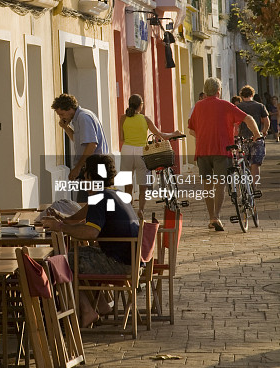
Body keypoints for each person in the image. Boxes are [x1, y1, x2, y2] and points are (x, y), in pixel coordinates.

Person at [42, 154, 139, 328]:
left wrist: (60, 227)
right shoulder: (114, 194)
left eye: (85, 176)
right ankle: (101, 305)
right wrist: (61, 219)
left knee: (61, 261)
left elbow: (91, 232)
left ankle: (87, 310)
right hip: (131, 260)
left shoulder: (100, 198)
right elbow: (80, 217)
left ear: (90, 177)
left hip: (117, 263)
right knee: (78, 256)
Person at [188, 77, 260, 232]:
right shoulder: (225, 105)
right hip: (222, 150)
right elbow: (248, 118)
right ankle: (217, 216)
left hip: (202, 151)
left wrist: (204, 135)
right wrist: (256, 134)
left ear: (206, 91)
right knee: (220, 184)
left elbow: (191, 130)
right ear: (218, 91)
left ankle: (211, 217)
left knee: (207, 185)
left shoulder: (198, 106)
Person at [119, 94, 182, 218]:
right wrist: (175, 133)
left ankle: (129, 211)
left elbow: (122, 137)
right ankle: (141, 210)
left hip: (126, 150)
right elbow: (160, 135)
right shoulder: (145, 119)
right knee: (143, 185)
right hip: (142, 152)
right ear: (141, 105)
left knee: (128, 184)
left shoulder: (123, 118)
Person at [51, 93, 109, 202]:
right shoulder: (78, 119)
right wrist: (66, 127)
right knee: (86, 203)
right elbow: (78, 140)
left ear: (70, 108)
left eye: (62, 114)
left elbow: (92, 144)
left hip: (94, 167)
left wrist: (77, 168)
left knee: (87, 204)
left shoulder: (83, 117)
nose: (61, 117)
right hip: (90, 167)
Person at [236, 86, 269, 181]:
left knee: (244, 163)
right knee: (256, 164)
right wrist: (264, 131)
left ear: (241, 96)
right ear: (252, 94)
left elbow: (235, 123)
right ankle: (254, 186)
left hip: (243, 139)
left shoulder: (238, 107)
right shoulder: (260, 106)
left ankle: (247, 186)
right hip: (257, 138)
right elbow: (266, 121)